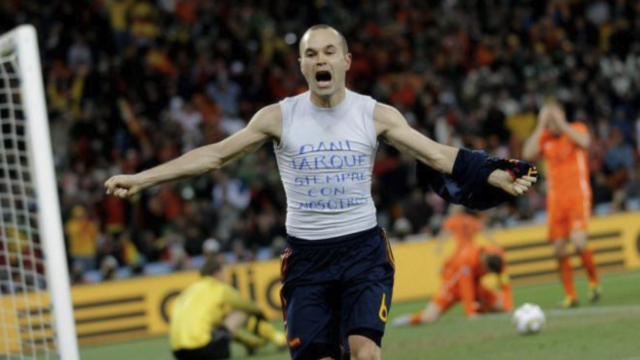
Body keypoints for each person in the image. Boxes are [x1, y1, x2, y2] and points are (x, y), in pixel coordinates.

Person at [106, 25, 537, 360]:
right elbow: (215, 155)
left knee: (365, 351)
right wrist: (142, 178)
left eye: (329, 51)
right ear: (301, 65)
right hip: (308, 260)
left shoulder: (375, 114)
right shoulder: (279, 117)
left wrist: (491, 173)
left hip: (363, 253)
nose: (320, 60)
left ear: (347, 61)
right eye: (311, 54)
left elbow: (439, 155)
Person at [522, 103, 601, 308]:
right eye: (549, 120)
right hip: (556, 201)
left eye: (554, 118)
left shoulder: (576, 129)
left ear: (563, 116)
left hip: (577, 196)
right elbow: (528, 154)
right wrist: (541, 125)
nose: (552, 124)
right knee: (558, 251)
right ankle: (571, 296)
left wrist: (561, 123)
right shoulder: (545, 137)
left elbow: (585, 141)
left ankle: (593, 282)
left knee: (579, 243)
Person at [169, 255, 286, 360]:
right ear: (217, 273)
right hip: (203, 349)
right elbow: (250, 307)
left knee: (220, 323)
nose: (225, 275)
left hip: (178, 352)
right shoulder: (219, 288)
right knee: (242, 312)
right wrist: (261, 314)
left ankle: (249, 344)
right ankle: (278, 338)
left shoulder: (188, 291)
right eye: (224, 272)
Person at [392, 244, 512, 326]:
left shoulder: (498, 258)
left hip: (475, 285)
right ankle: (409, 319)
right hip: (453, 285)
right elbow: (466, 289)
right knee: (429, 318)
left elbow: (505, 283)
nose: (488, 273)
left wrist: (508, 306)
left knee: (502, 307)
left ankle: (480, 309)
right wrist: (470, 313)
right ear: (484, 261)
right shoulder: (468, 259)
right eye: (488, 271)